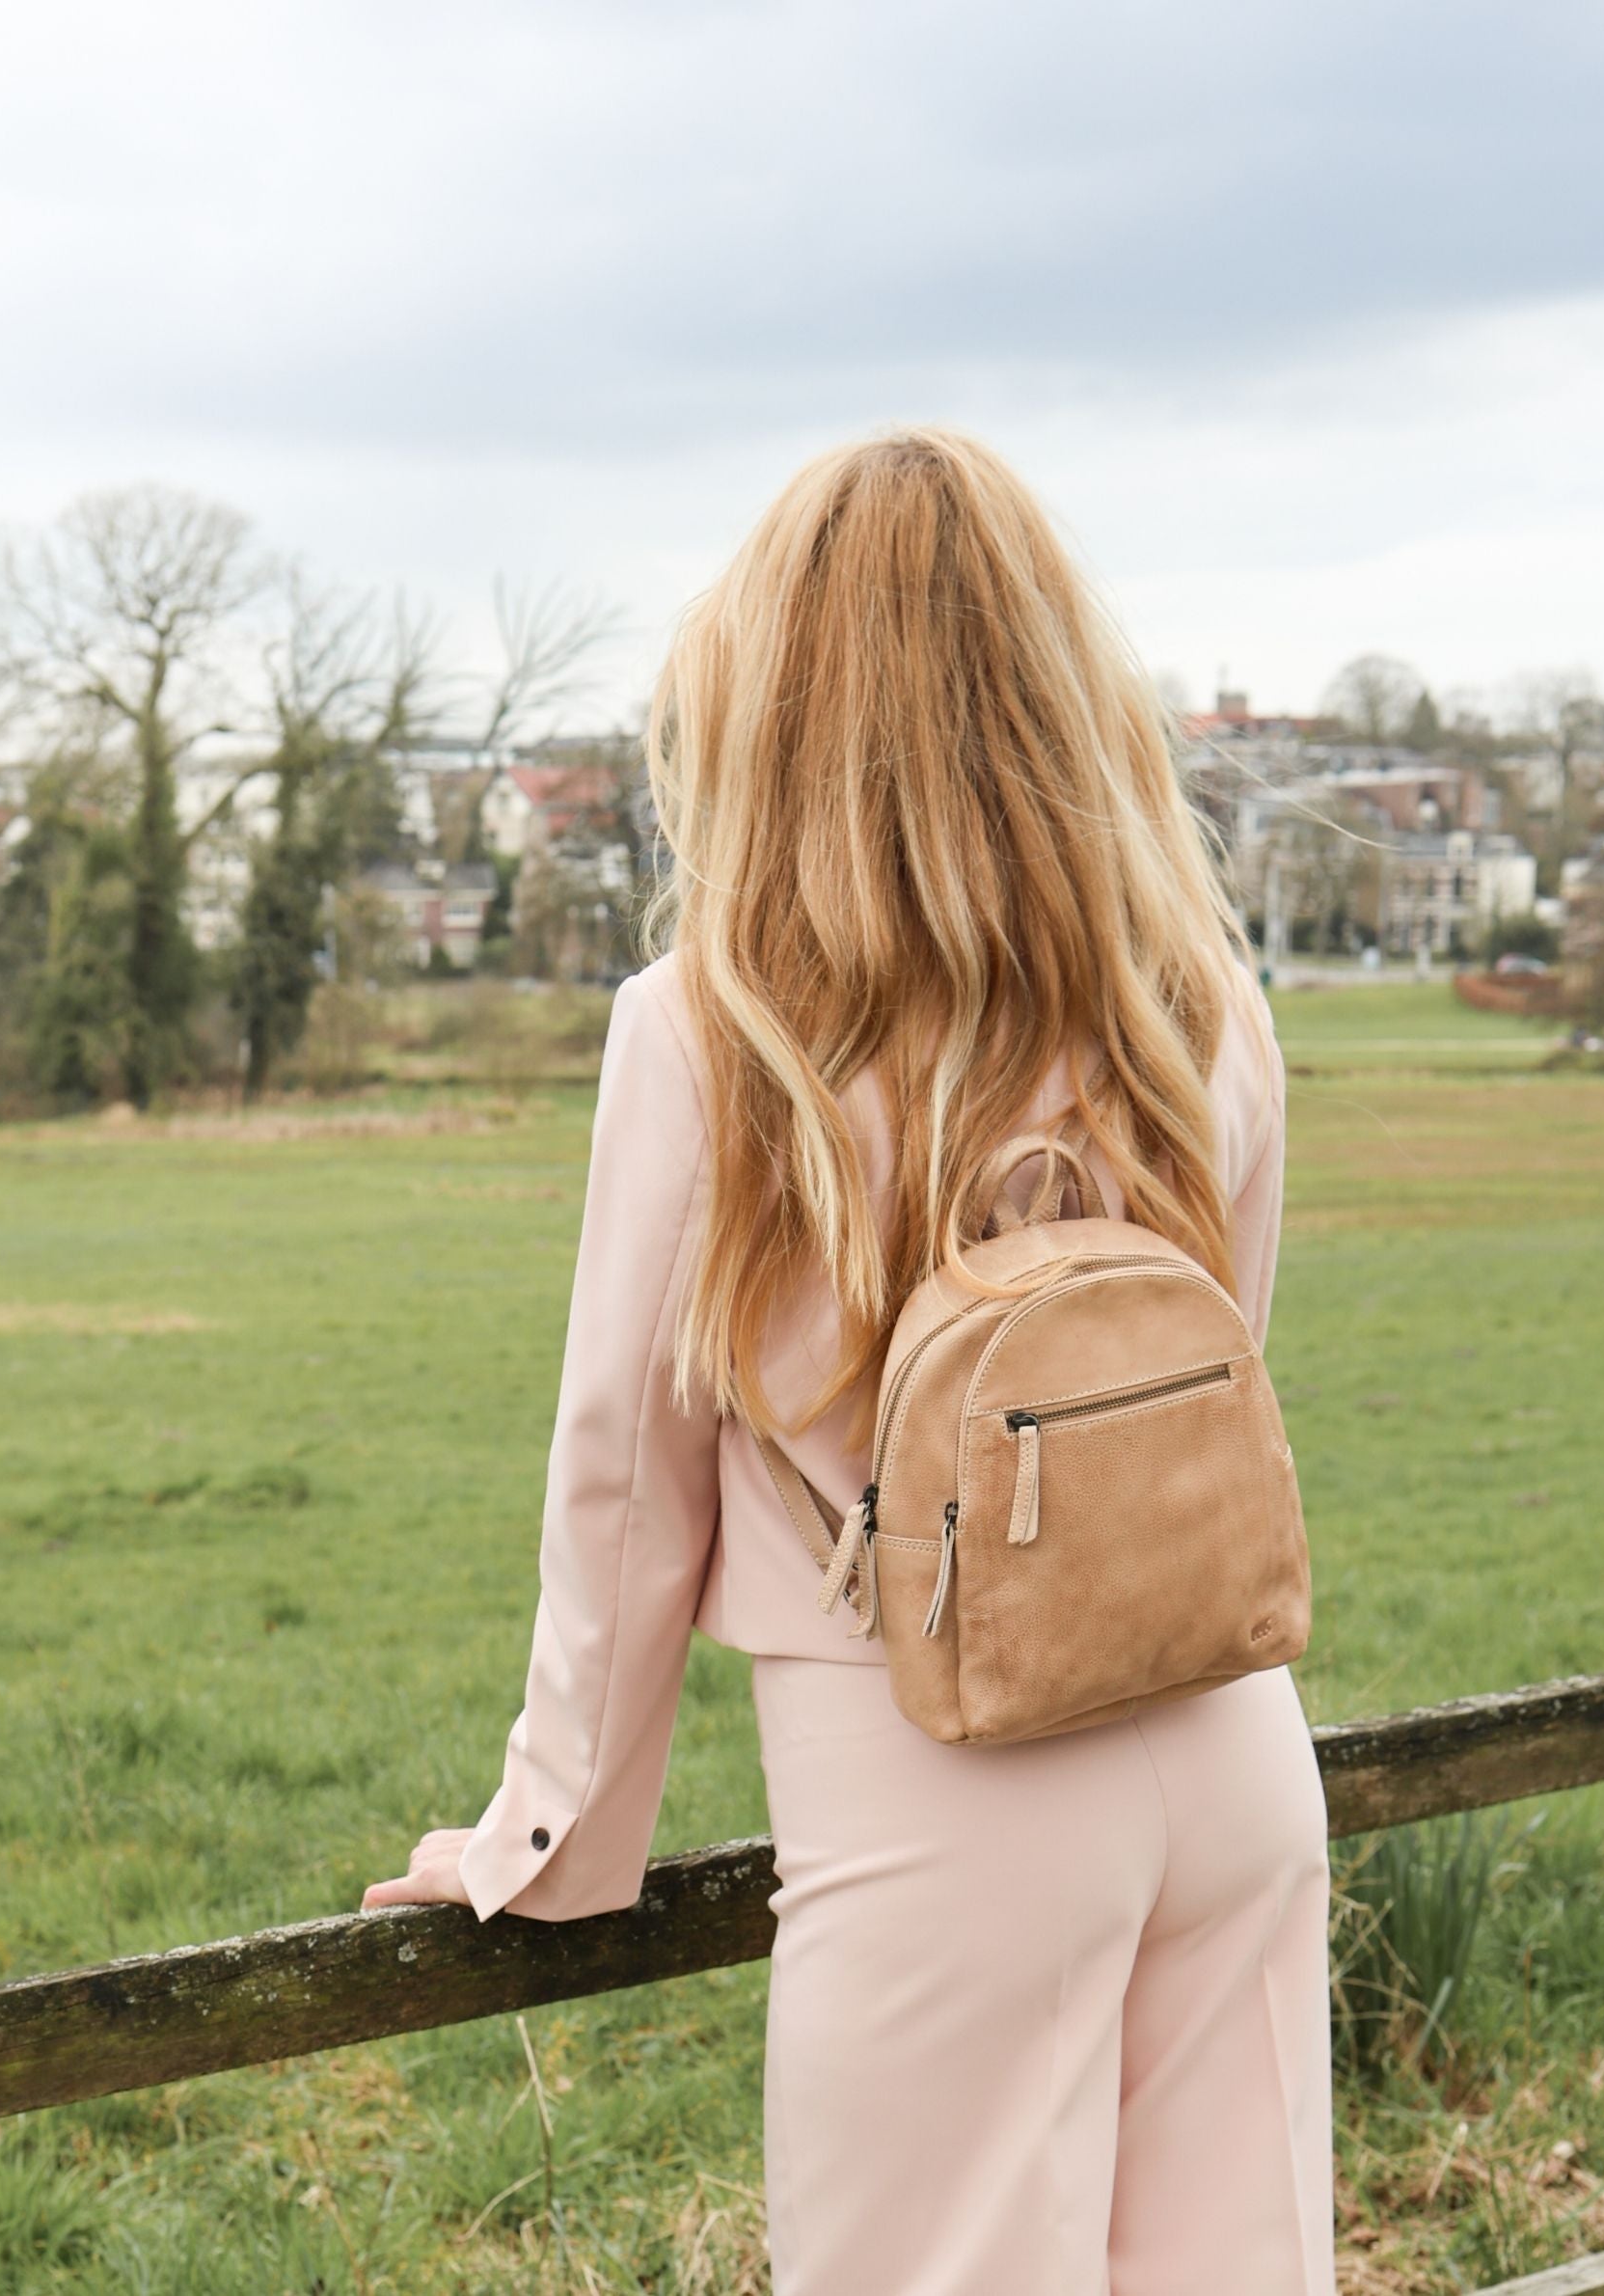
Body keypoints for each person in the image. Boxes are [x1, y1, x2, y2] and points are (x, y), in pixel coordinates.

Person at [364, 428, 1334, 2295]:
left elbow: (625, 1483)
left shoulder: (714, 1029)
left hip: (939, 1792)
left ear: (779, 695)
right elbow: (1209, 1382)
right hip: (1230, 1753)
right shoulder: (1195, 992)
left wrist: (553, 1832)